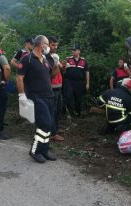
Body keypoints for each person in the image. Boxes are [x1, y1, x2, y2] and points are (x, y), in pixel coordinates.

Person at [16, 35, 61, 163]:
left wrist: (56, 64)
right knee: (44, 123)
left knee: (49, 125)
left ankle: (44, 150)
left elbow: (52, 75)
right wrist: (21, 95)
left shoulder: (46, 59)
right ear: (41, 44)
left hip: (49, 96)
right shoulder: (27, 59)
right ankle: (35, 150)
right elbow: (19, 78)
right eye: (47, 44)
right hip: (36, 97)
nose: (49, 46)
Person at [45, 36, 64, 141]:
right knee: (52, 110)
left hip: (58, 86)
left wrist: (63, 65)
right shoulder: (46, 57)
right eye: (53, 45)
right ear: (48, 45)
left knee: (58, 110)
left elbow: (60, 69)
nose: (55, 47)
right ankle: (52, 133)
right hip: (51, 87)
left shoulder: (55, 56)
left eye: (56, 45)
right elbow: (52, 74)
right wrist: (56, 64)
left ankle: (55, 128)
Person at [64, 44, 90, 117]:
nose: (73, 51)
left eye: (74, 50)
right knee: (68, 97)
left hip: (79, 82)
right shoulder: (68, 59)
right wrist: (64, 66)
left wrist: (87, 83)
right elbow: (63, 71)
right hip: (69, 81)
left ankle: (78, 113)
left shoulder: (84, 60)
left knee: (78, 98)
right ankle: (70, 113)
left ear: (79, 51)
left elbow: (87, 72)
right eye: (72, 50)